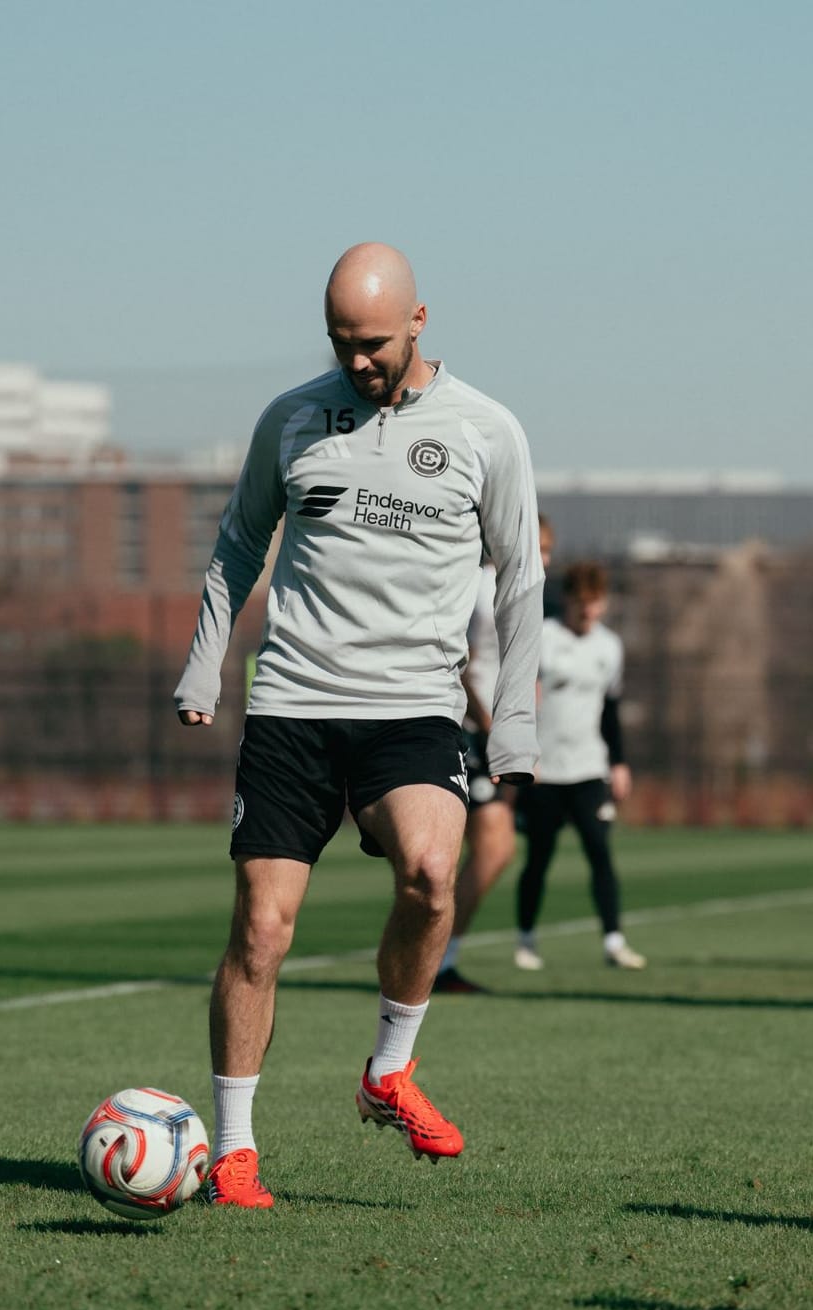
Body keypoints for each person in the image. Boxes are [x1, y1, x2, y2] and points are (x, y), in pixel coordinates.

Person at [174, 243, 543, 1208]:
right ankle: (237, 1148)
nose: (358, 362)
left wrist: (516, 722)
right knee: (261, 928)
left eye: (374, 343)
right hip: (295, 703)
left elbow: (521, 578)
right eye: (341, 344)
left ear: (420, 322)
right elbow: (238, 540)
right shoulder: (292, 418)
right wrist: (203, 659)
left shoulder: (488, 431)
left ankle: (390, 1068)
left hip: (412, 708)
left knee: (431, 874)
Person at [433, 514, 555, 995]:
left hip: (500, 734)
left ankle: (440, 958)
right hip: (471, 730)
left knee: (491, 849)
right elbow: (459, 658)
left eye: (549, 547)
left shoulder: (527, 592)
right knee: (490, 847)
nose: (544, 554)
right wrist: (485, 725)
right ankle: (436, 961)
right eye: (537, 544)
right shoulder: (481, 586)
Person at [511, 562, 645, 971]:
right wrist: (523, 754)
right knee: (539, 857)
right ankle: (527, 939)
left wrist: (618, 762)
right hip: (544, 770)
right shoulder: (544, 639)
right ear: (568, 599)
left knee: (599, 851)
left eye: (597, 603)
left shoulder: (609, 646)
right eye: (582, 602)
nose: (589, 611)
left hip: (589, 768)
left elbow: (610, 708)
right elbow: (520, 700)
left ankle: (613, 941)